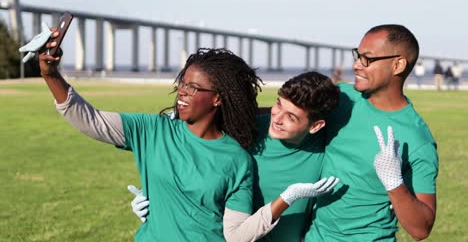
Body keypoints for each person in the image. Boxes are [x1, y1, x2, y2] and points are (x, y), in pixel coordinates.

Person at [37, 41, 266, 240]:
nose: (182, 92)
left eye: (193, 88)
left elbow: (237, 233)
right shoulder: (152, 130)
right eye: (182, 83)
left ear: (217, 98)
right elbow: (91, 120)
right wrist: (50, 74)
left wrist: (285, 201)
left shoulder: (237, 159)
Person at [130, 71, 342, 242]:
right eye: (278, 104)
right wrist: (158, 203)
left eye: (291, 117)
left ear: (316, 126)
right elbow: (193, 159)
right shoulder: (244, 129)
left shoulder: (327, 147)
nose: (277, 118)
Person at [306, 24, 439, 241]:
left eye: (367, 59)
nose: (356, 65)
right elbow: (286, 114)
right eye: (357, 56)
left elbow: (421, 230)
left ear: (398, 65)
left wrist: (394, 182)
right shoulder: (340, 98)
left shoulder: (418, 140)